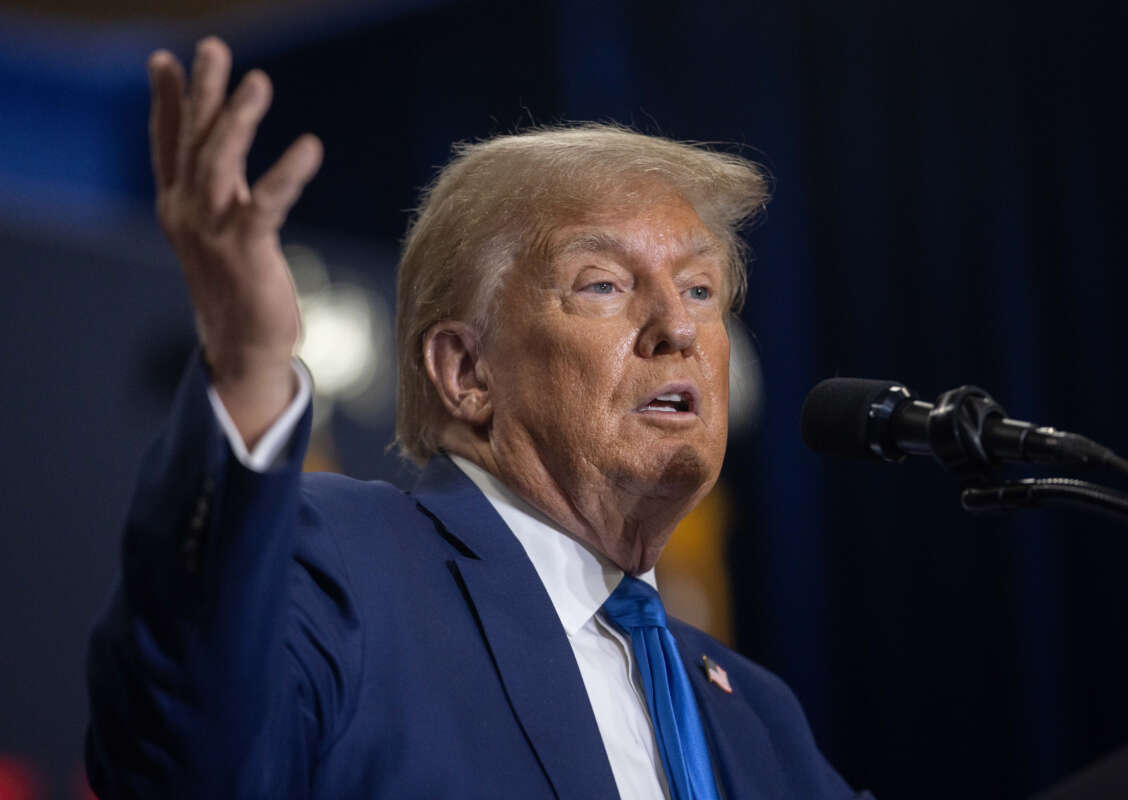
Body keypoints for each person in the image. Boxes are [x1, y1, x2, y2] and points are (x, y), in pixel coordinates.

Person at [85, 36, 872, 799]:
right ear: (465, 372)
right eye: (602, 284)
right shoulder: (344, 572)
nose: (680, 328)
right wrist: (247, 366)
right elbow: (192, 752)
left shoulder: (758, 720)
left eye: (701, 290)